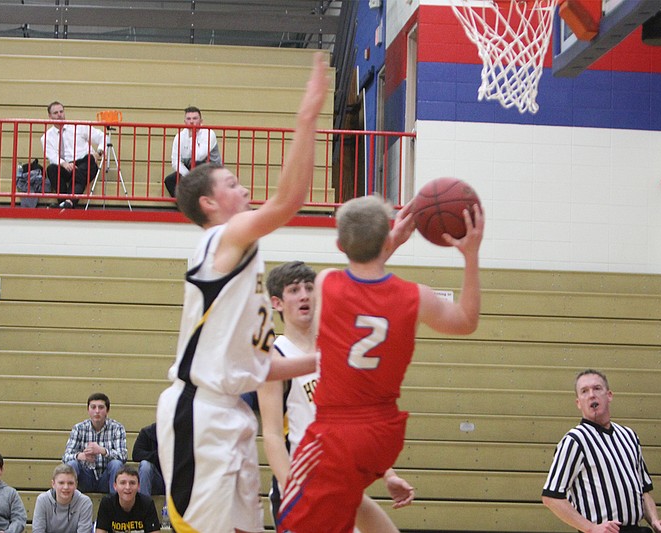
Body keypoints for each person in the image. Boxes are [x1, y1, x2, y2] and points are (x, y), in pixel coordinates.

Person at [155, 53, 329, 533]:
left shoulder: (243, 260)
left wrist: (328, 357)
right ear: (209, 203)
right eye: (232, 182)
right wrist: (307, 118)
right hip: (201, 411)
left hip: (231, 412)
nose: (244, 185)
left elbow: (257, 368)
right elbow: (289, 202)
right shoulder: (221, 239)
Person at [278, 194, 484, 532]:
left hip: (337, 432)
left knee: (294, 523)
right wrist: (471, 256)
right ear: (385, 238)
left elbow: (362, 271)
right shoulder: (417, 297)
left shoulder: (327, 283)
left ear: (340, 244)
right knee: (349, 509)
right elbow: (466, 321)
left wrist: (392, 241)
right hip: (384, 434)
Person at [258, 261, 415, 533]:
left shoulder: (338, 348)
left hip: (342, 480)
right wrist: (293, 490)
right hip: (302, 483)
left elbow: (359, 422)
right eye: (294, 290)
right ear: (277, 303)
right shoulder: (277, 357)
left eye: (309, 287)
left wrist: (388, 474)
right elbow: (271, 435)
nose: (305, 294)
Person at [541, 370, 661, 533]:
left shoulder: (629, 436)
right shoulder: (575, 440)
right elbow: (551, 497)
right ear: (578, 403)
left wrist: (655, 521)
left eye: (597, 389)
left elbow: (643, 490)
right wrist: (590, 528)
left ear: (609, 395)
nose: (591, 395)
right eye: (584, 391)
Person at [41, 101, 105, 208]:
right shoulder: (46, 137)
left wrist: (98, 152)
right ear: (50, 116)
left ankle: (68, 202)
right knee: (51, 169)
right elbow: (52, 156)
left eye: (61, 111)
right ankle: (65, 202)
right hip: (66, 166)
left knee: (86, 163)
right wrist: (64, 164)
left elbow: (103, 137)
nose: (59, 115)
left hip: (84, 162)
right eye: (56, 113)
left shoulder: (79, 127)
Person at [62, 392, 127, 494]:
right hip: (86, 477)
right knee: (72, 464)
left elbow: (123, 457)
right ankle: (70, 504)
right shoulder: (79, 428)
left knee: (116, 464)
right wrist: (80, 456)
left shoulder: (117, 428)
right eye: (93, 407)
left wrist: (103, 451)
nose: (97, 411)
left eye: (101, 407)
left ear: (107, 411)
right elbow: (65, 457)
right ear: (88, 410)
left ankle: (114, 504)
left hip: (107, 477)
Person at [164, 106, 222, 197]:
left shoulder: (209, 133)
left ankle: (199, 207)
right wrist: (188, 175)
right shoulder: (180, 136)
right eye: (188, 118)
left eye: (195, 118)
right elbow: (175, 161)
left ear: (201, 121)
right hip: (190, 170)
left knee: (196, 164)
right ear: (184, 122)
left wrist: (192, 137)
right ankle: (185, 207)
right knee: (170, 180)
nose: (191, 121)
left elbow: (199, 156)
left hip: (211, 168)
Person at [94, 465, 160, 533]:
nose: (128, 487)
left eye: (132, 483)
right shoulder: (107, 503)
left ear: (138, 486)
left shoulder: (148, 503)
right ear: (115, 486)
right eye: (123, 483)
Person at [32, 464, 94, 533]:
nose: (66, 487)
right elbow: (38, 530)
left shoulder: (84, 502)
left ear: (76, 484)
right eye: (61, 483)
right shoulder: (42, 500)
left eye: (70, 483)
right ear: (53, 484)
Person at [131, 423, 165, 497]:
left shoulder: (180, 433)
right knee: (145, 465)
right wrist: (159, 455)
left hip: (175, 480)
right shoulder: (147, 432)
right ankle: (143, 505)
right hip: (156, 479)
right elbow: (136, 454)